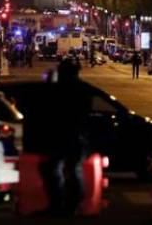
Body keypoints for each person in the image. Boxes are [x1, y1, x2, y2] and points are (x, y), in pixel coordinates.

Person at [39, 59, 91, 215]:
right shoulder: (82, 88)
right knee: (70, 169)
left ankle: (62, 204)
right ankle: (70, 203)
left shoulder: (62, 88)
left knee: (55, 168)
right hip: (75, 135)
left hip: (66, 134)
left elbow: (49, 106)